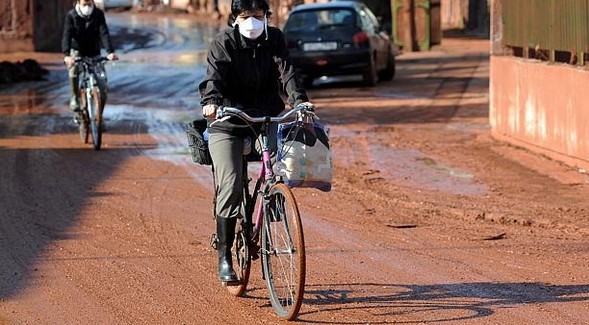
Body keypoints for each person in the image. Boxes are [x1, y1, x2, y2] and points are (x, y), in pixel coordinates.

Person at [198, 0, 313, 283]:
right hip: (228, 121)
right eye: (246, 15)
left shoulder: (274, 38)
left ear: (266, 16)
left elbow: (287, 73)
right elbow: (214, 78)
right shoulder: (223, 42)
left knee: (281, 165)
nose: (253, 21)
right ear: (235, 17)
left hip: (265, 118)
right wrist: (212, 102)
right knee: (230, 184)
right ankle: (224, 256)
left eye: (258, 15)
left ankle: (273, 200)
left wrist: (301, 101)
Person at [62, 0, 118, 124]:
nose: (87, 7)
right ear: (78, 3)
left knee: (102, 86)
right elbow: (67, 35)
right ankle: (75, 99)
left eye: (89, 4)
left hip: (94, 52)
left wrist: (110, 52)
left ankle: (99, 117)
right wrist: (67, 55)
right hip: (77, 51)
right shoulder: (71, 16)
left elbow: (104, 32)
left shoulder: (98, 14)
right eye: (84, 4)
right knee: (73, 71)